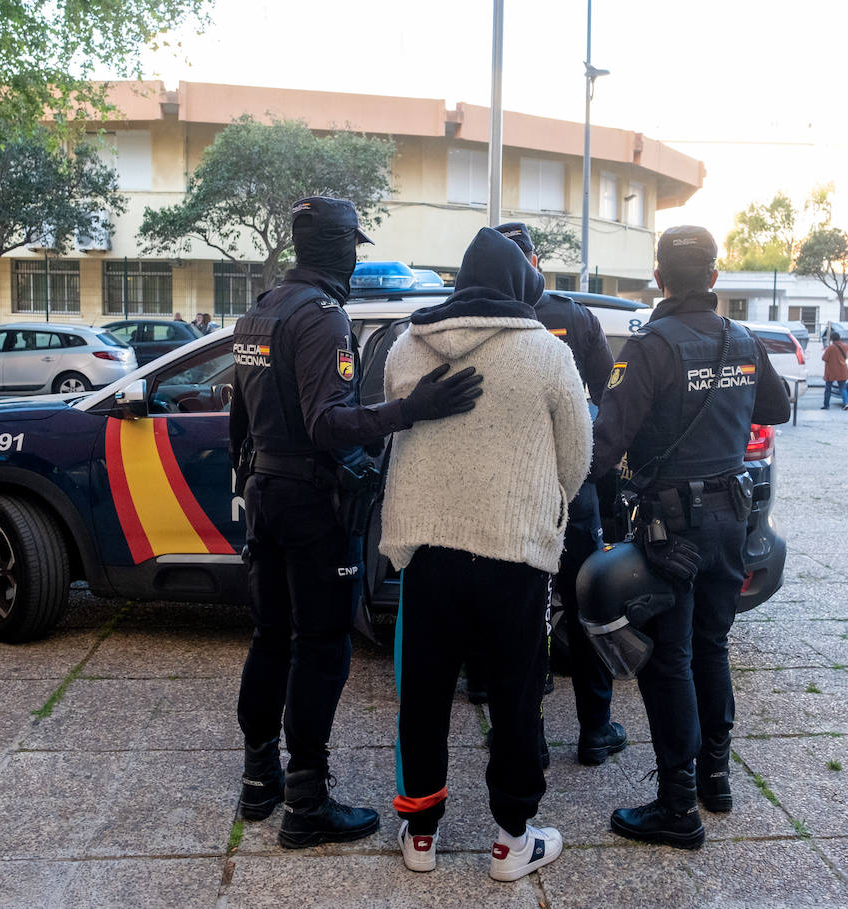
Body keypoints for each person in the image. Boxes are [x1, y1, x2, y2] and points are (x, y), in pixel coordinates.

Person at [229, 196, 483, 848]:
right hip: (308, 503)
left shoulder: (260, 310)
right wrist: (412, 408)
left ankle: (259, 780)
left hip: (265, 491)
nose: (353, 257)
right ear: (341, 248)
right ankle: (306, 800)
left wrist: (249, 483)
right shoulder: (321, 317)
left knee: (270, 637)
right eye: (352, 246)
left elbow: (239, 417)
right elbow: (327, 423)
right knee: (322, 645)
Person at [380, 227, 591, 879]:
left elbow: (394, 421)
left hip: (429, 547)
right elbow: (577, 454)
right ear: (518, 284)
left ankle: (420, 834)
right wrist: (544, 498)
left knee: (424, 693)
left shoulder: (407, 346)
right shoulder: (547, 352)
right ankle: (512, 839)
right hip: (513, 551)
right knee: (515, 695)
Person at [590, 225, 790, 848]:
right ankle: (715, 779)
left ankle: (677, 807)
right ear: (713, 276)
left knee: (670, 656)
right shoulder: (742, 338)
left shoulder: (650, 346)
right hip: (731, 515)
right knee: (712, 645)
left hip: (669, 525)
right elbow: (777, 408)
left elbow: (606, 445)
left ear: (659, 278)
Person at [493, 221, 626, 767]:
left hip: (513, 489)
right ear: (536, 262)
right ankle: (594, 730)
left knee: (520, 612)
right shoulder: (574, 317)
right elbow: (607, 398)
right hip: (573, 487)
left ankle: (530, 736)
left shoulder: (486, 320)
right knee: (585, 606)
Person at [821, 331, 848, 410]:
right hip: (842, 370)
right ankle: (846, 403)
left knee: (828, 389)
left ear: (832, 339)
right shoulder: (845, 346)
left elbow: (824, 358)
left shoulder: (831, 348)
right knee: (843, 388)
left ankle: (826, 405)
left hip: (831, 372)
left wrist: (827, 349)